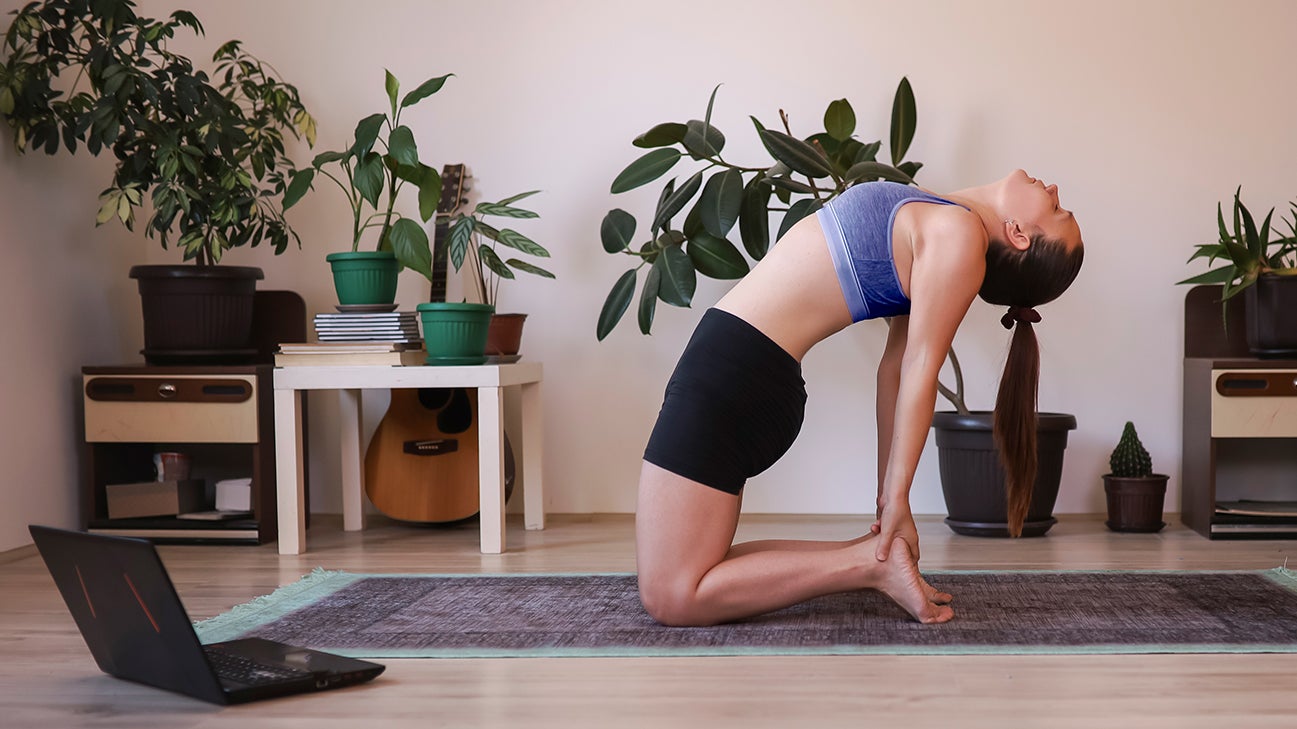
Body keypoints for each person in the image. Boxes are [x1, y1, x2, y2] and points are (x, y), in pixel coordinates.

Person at [636, 169, 1084, 627]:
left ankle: (873, 564)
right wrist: (886, 505)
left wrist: (897, 498)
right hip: (738, 368)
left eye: (1056, 210)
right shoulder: (944, 217)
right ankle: (876, 557)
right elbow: (892, 371)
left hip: (735, 373)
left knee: (674, 594)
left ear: (1019, 235)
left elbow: (917, 368)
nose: (1053, 190)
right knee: (684, 577)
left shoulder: (958, 236)